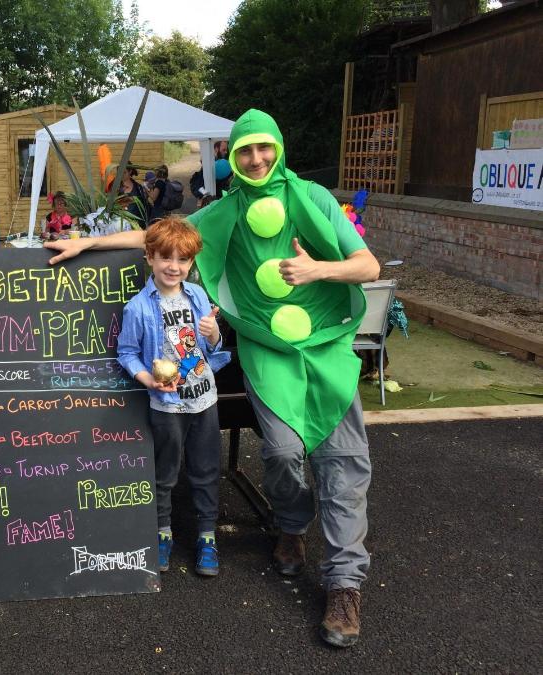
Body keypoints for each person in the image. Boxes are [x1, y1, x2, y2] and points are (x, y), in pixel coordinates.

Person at [45, 109, 380, 648]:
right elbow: (156, 237)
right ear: (233, 158)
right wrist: (86, 243)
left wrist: (319, 269)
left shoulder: (313, 198)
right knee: (281, 452)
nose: (256, 159)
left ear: (279, 147)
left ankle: (344, 582)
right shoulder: (222, 212)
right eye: (246, 150)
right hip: (268, 351)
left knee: (343, 461)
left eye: (264, 148)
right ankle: (291, 526)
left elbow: (368, 266)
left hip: (325, 348)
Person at [117, 217, 230, 577]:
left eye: (183, 260)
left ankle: (207, 536)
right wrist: (148, 378)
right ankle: (162, 531)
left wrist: (213, 335)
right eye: (166, 257)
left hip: (204, 400)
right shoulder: (139, 307)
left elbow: (211, 349)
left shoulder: (197, 296)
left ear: (191, 263)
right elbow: (127, 352)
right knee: (165, 473)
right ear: (149, 257)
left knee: (205, 469)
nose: (174, 266)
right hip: (165, 404)